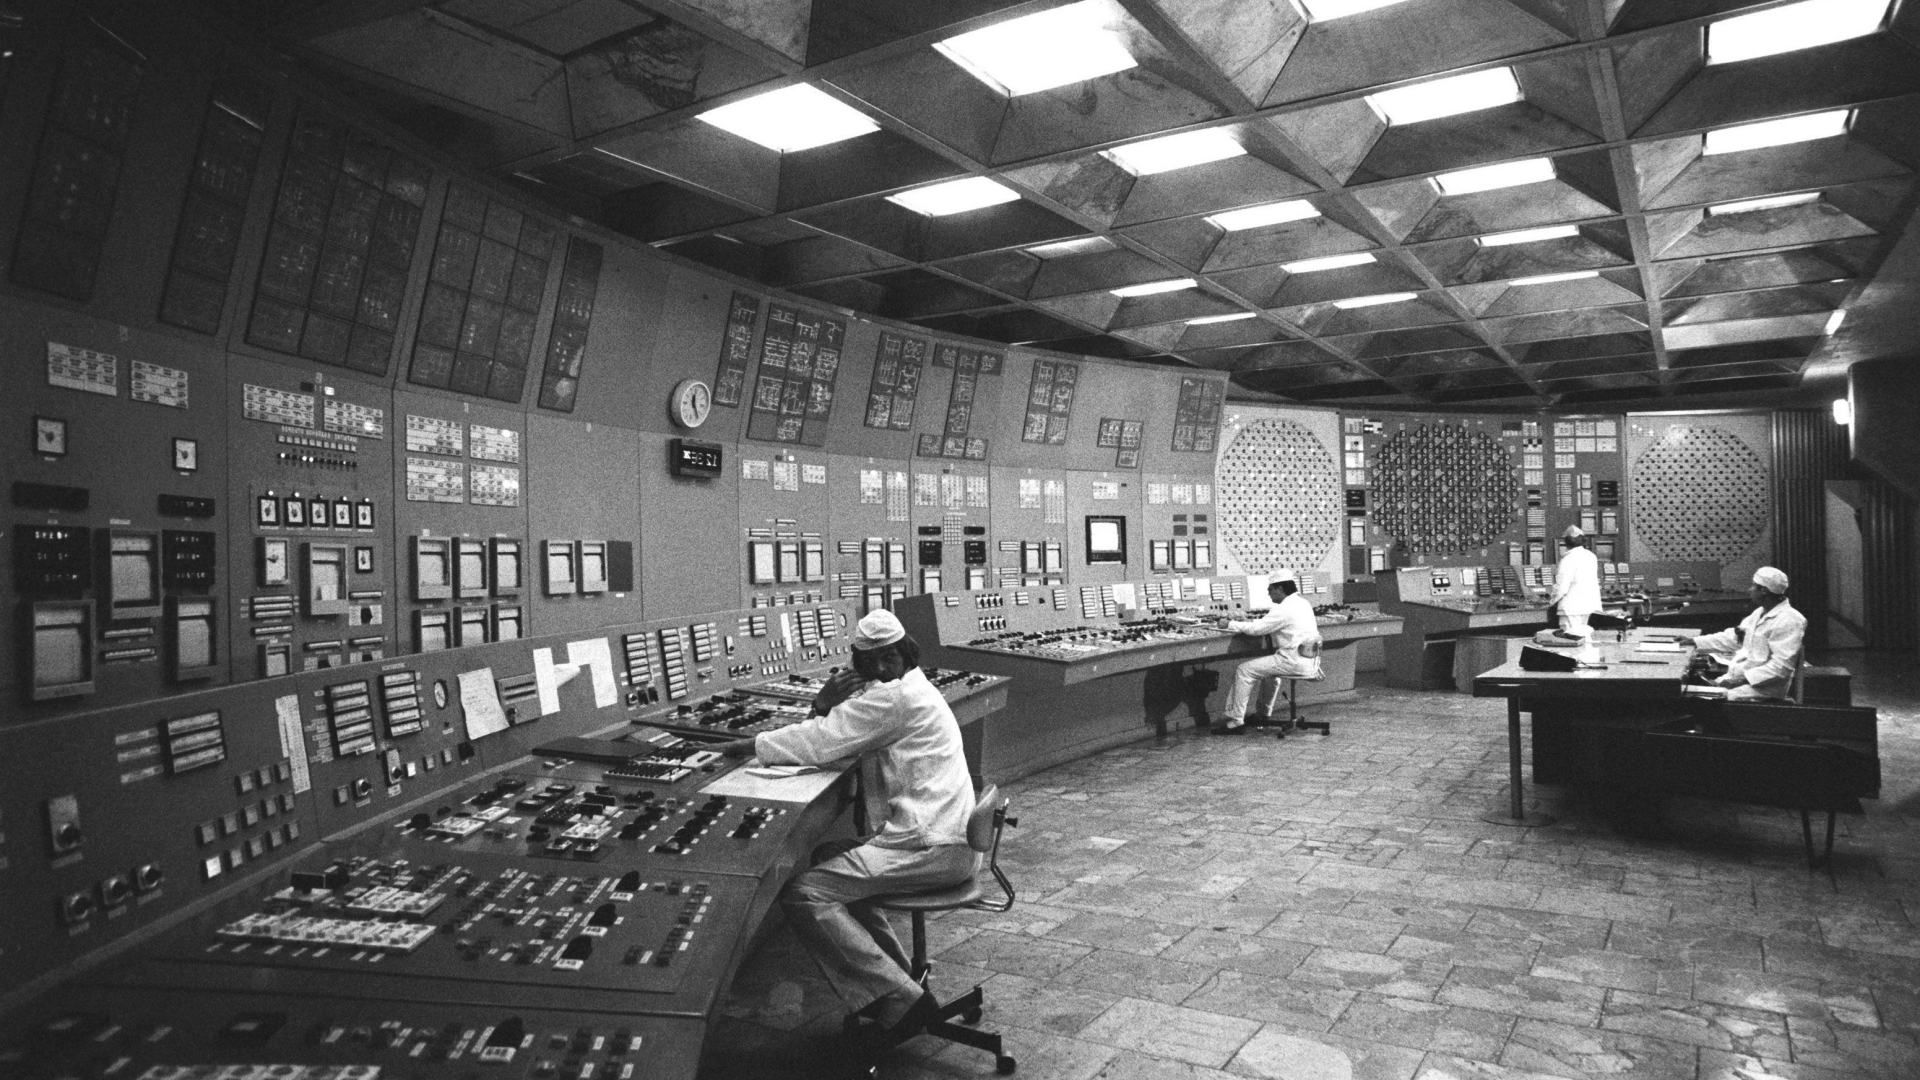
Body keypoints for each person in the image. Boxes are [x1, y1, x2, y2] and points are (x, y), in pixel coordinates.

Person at [714, 609, 975, 1052]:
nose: (880, 669)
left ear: (905, 654)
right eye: (870, 662)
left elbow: (821, 741)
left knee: (804, 893)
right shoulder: (909, 687)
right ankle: (899, 983)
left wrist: (747, 745)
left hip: (932, 846)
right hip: (942, 836)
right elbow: (844, 730)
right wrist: (827, 710)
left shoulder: (894, 698)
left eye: (888, 659)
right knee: (827, 855)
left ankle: (900, 1000)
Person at [1212, 571, 1322, 734]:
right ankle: (1263, 715)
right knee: (1270, 674)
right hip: (1309, 661)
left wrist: (1229, 624)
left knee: (1244, 670)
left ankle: (1236, 721)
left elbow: (1257, 630)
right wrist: (1249, 621)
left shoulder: (1284, 608)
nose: (1268, 594)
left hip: (1292, 661)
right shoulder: (1303, 603)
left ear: (1279, 589)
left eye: (1270, 590)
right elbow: (1269, 623)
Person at [1687, 566, 1806, 700]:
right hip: (1736, 680)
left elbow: (1780, 668)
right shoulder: (1759, 613)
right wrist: (1694, 642)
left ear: (1764, 591)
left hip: (1763, 690)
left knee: (1698, 700)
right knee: (1691, 690)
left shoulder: (1790, 620)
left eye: (1753, 586)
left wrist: (1740, 680)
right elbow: (1733, 638)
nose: (1750, 590)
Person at [1548, 525, 1601, 638]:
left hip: (1571, 607)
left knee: (1571, 637)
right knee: (1583, 635)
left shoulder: (1568, 559)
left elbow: (1562, 587)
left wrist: (1552, 601)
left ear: (1566, 542)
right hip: (1587, 605)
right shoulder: (1591, 556)